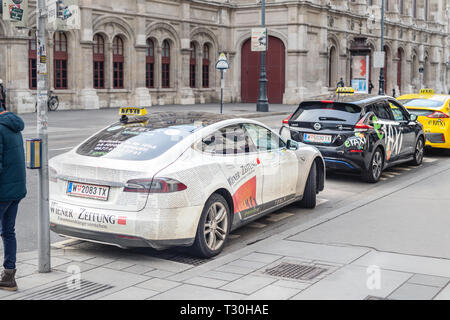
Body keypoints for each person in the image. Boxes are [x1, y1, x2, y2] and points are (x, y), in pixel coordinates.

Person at [0, 107, 27, 291]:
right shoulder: (12, 124)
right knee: (8, 231)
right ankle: (9, 276)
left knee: (7, 231)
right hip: (15, 190)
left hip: (3, 191)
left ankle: (9, 277)